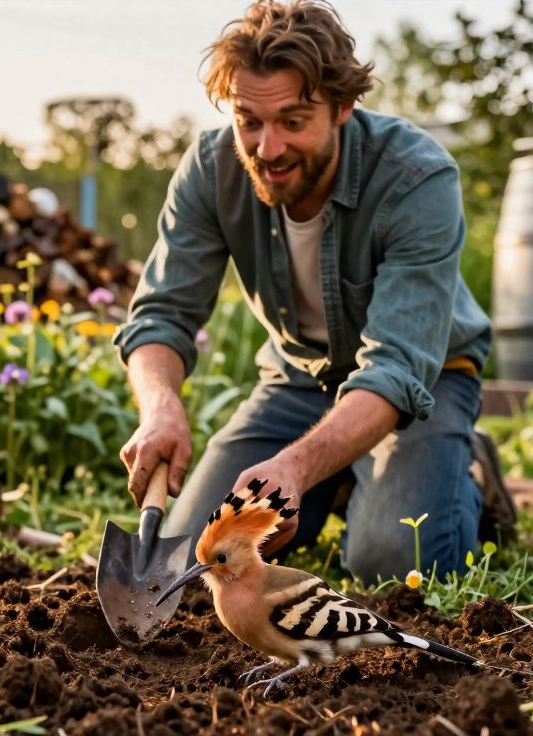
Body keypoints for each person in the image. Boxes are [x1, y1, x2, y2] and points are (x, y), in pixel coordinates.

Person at [112, 0, 510, 583]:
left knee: (392, 562)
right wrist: (161, 407)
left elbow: (396, 369)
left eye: (293, 122)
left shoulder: (416, 178)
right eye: (248, 120)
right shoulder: (211, 168)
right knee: (195, 560)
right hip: (300, 378)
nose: (267, 149)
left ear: (343, 107)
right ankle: (349, 475)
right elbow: (160, 315)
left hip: (422, 382)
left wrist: (296, 468)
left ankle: (466, 468)